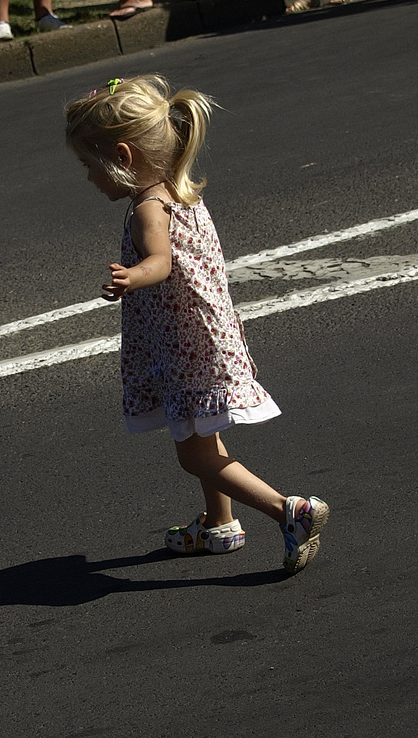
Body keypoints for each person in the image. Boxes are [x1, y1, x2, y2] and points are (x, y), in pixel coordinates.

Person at [65, 73, 329, 576]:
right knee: (203, 433)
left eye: (89, 165)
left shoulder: (148, 208)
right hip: (202, 335)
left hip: (185, 344)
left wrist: (132, 277)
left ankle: (288, 512)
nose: (89, 178)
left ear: (123, 157)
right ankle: (219, 524)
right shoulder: (176, 192)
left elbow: (161, 260)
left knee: (192, 454)